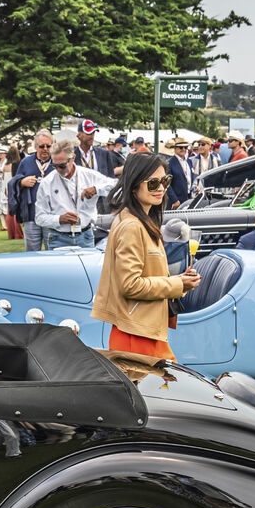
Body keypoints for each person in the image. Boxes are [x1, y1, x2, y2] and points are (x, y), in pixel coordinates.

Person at [91, 152, 200, 359]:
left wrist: (180, 282)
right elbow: (130, 285)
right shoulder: (132, 225)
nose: (160, 188)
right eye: (152, 183)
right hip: (137, 334)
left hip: (142, 329)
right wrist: (177, 283)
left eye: (165, 181)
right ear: (134, 186)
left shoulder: (140, 220)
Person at [36, 141, 107, 250]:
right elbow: (39, 218)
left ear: (73, 158)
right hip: (58, 238)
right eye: (54, 165)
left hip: (86, 235)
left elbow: (115, 186)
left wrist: (97, 189)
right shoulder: (47, 182)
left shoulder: (89, 175)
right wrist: (59, 219)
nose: (58, 169)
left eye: (62, 166)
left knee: (87, 267)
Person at [9, 132, 53, 252]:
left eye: (48, 146)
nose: (45, 149)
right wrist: (22, 182)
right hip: (31, 214)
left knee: (54, 252)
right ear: (35, 146)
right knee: (33, 253)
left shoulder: (57, 162)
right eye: (42, 146)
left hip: (52, 215)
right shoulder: (26, 162)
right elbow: (13, 182)